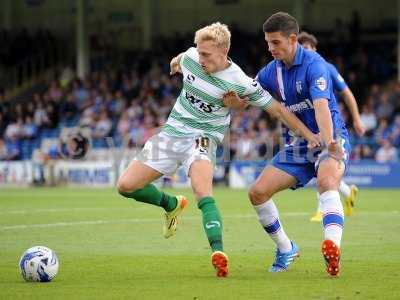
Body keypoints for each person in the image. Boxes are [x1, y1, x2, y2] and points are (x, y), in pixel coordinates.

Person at [116, 22, 320, 278]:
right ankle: (171, 205)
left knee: (203, 193)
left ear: (224, 52)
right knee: (125, 186)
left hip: (202, 138)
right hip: (171, 134)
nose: (199, 59)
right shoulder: (192, 57)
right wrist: (175, 62)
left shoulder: (240, 82)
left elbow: (278, 110)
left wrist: (310, 134)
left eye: (206, 55)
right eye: (198, 52)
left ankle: (218, 252)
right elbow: (183, 57)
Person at [224, 12, 350, 276]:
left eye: (276, 42)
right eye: (268, 43)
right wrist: (232, 100)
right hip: (300, 144)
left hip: (330, 136)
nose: (270, 48)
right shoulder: (271, 72)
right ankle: (286, 247)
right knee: (257, 192)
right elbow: (246, 100)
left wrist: (329, 144)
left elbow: (321, 107)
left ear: (293, 40)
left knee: (327, 181)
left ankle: (332, 248)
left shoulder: (316, 65)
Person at [297, 31, 366, 221]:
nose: (305, 51)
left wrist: (357, 119)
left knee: (322, 167)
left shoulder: (326, 67)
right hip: (310, 128)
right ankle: (347, 191)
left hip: (329, 125)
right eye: (302, 48)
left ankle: (322, 209)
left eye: (308, 48)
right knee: (320, 167)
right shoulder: (294, 71)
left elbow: (347, 93)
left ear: (315, 49)